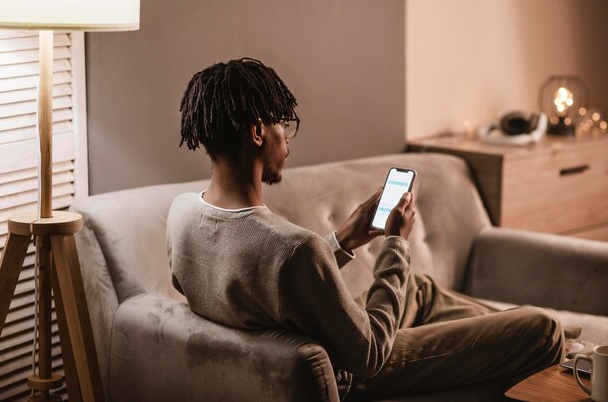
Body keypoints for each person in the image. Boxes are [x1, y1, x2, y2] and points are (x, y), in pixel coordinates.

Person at [167, 58, 563, 401]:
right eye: (282, 126)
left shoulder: (182, 215)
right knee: (542, 329)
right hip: (351, 372)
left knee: (418, 288)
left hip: (308, 344)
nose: (287, 138)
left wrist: (343, 240)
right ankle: (557, 346)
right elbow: (369, 355)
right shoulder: (293, 249)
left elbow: (265, 279)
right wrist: (396, 244)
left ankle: (518, 332)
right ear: (257, 133)